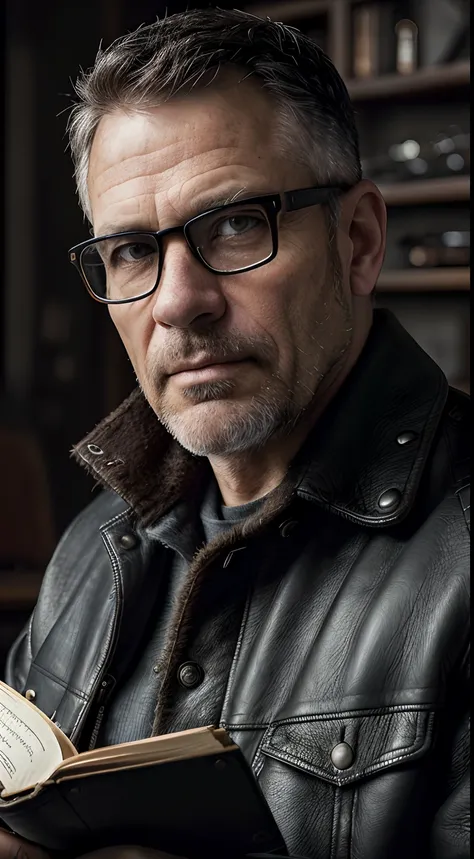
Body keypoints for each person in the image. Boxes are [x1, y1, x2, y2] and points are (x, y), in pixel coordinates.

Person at [0, 8, 469, 859]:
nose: (179, 302)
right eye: (134, 251)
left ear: (357, 241)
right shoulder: (91, 547)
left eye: (236, 224)